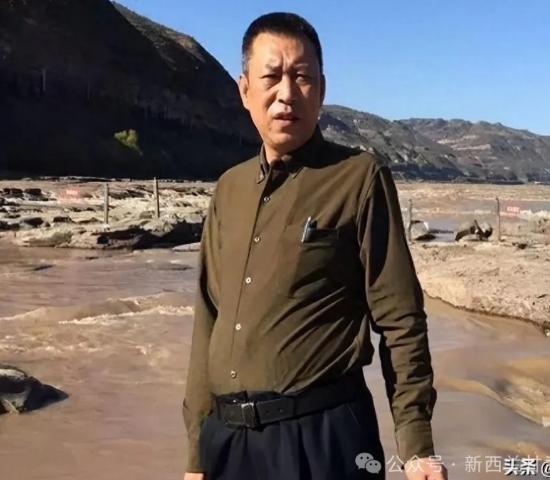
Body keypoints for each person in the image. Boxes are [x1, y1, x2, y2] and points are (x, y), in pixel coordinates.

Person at [182, 11, 447, 480]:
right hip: (227, 442)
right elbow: (208, 320)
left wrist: (416, 445)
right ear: (245, 90)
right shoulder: (228, 189)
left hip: (321, 442)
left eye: (302, 77)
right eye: (271, 77)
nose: (287, 93)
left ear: (321, 90)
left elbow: (401, 320)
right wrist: (196, 454)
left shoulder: (359, 178)